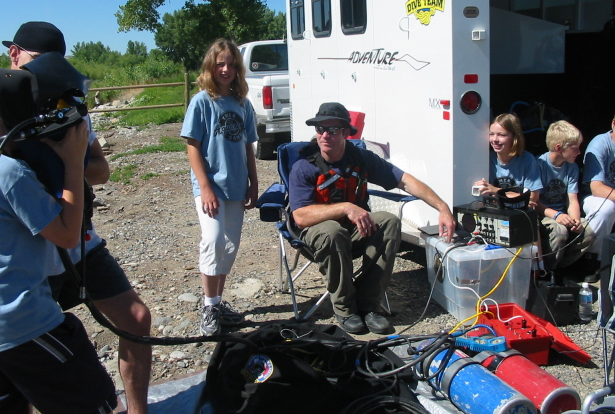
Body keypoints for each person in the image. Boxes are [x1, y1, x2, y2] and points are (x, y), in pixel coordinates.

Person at [4, 21, 152, 414]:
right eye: (34, 62)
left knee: (136, 319)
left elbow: (101, 172)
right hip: (24, 250)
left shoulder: (68, 108)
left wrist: (70, 155)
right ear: (13, 55)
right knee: (23, 355)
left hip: (78, 241)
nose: (41, 74)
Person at [0, 68, 117, 413]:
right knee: (94, 401)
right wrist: (71, 159)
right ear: (2, 115)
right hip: (23, 323)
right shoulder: (6, 174)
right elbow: (68, 236)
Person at [288, 102, 456, 335]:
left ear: (346, 133)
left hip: (355, 231)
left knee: (388, 221)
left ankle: (369, 305)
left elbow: (405, 180)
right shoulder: (304, 167)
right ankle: (346, 309)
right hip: (318, 234)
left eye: (333, 130)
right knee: (332, 231)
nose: (325, 135)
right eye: (320, 129)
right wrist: (346, 207)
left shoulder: (361, 159)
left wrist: (442, 207)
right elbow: (300, 217)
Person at [180, 39, 259, 336]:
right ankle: (208, 305)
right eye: (220, 64)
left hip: (237, 186)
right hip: (210, 186)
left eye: (231, 64)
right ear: (211, 67)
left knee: (228, 246)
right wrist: (205, 187)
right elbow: (193, 146)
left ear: (238, 69)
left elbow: (249, 147)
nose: (225, 69)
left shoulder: (242, 103)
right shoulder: (202, 101)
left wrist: (254, 182)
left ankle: (217, 302)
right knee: (212, 240)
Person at [536, 120, 593, 282]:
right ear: (559, 148)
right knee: (559, 232)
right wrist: (557, 216)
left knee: (588, 232)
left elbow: (572, 199)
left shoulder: (572, 168)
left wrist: (575, 219)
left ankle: (562, 268)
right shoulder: (539, 165)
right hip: (545, 214)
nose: (579, 152)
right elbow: (535, 202)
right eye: (575, 148)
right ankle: (547, 272)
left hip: (562, 213)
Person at [475, 113, 543, 207]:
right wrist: (516, 196)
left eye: (501, 135)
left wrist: (496, 190)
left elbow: (532, 199)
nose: (494, 139)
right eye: (491, 134)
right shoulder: (485, 159)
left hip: (520, 215)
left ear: (514, 137)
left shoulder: (527, 159)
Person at [581, 115, 615, 283]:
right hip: (593, 197)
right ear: (614, 123)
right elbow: (597, 188)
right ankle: (592, 260)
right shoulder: (600, 144)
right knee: (606, 208)